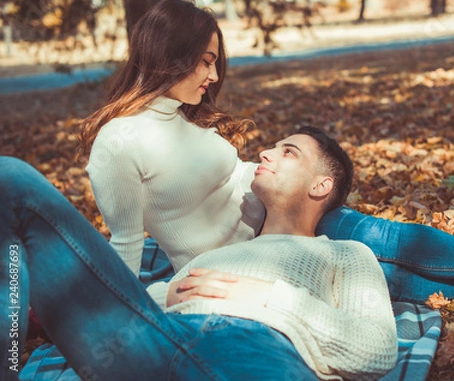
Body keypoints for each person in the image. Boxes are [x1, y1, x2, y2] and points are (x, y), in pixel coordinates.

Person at [79, 0, 454, 311]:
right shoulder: (119, 143)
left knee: (392, 239)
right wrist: (119, 322)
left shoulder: (184, 111)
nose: (214, 76)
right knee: (387, 273)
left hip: (287, 213)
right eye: (206, 61)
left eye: (215, 62)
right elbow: (122, 244)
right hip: (251, 258)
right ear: (171, 53)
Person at [0, 127, 398, 381]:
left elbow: (375, 349)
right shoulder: (216, 255)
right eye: (273, 147)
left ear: (321, 185)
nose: (266, 154)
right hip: (148, 341)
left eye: (288, 152)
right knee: (11, 179)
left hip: (253, 350)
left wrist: (265, 297)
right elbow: (147, 299)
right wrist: (166, 295)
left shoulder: (347, 254)